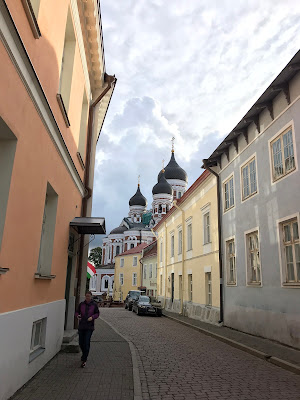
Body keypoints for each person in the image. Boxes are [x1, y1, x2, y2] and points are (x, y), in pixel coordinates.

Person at [75, 290, 99, 368]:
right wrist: (78, 315)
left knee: (86, 342)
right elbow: (77, 312)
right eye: (86, 296)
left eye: (88, 296)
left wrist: (92, 317)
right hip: (82, 326)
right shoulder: (82, 304)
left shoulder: (94, 305)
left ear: (91, 297)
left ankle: (84, 359)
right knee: (81, 342)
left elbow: (97, 313)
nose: (87, 298)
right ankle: (83, 354)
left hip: (89, 326)